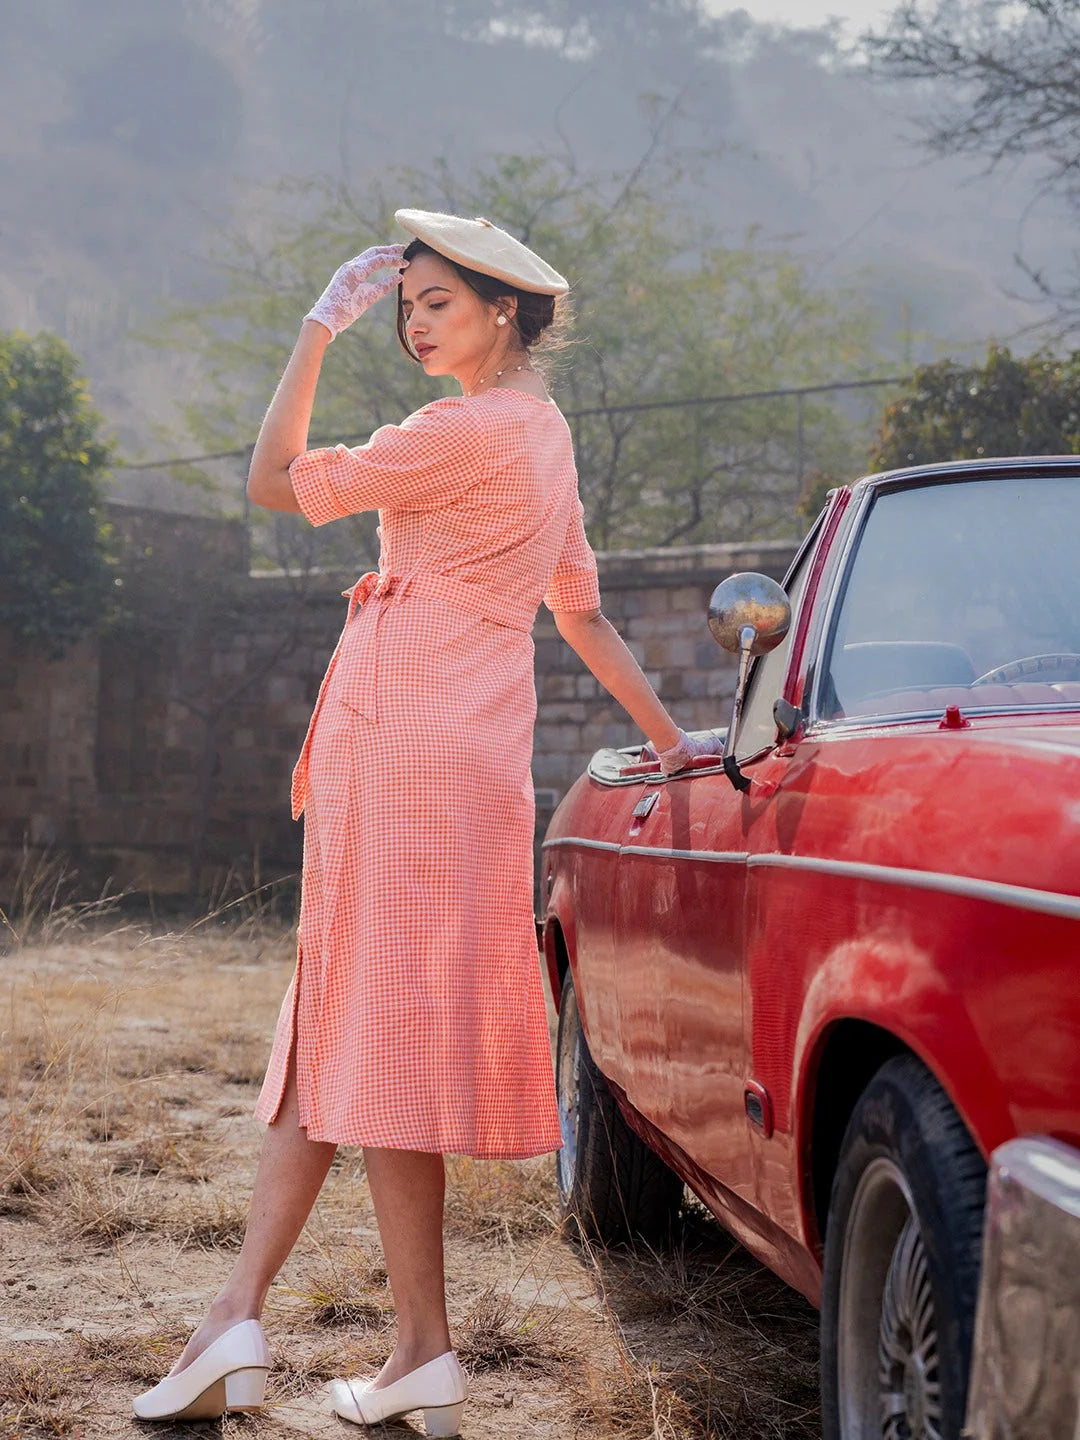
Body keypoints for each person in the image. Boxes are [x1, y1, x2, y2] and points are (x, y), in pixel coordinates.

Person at [131, 209, 724, 1432]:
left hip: (399, 740)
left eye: (435, 303)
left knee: (353, 1009)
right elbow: (584, 616)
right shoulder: (545, 438)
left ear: (505, 312)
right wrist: (676, 745)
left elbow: (269, 481)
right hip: (469, 754)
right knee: (378, 1027)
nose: (411, 324)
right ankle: (410, 1353)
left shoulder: (458, 432)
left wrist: (315, 330)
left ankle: (241, 1325)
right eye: (402, 306)